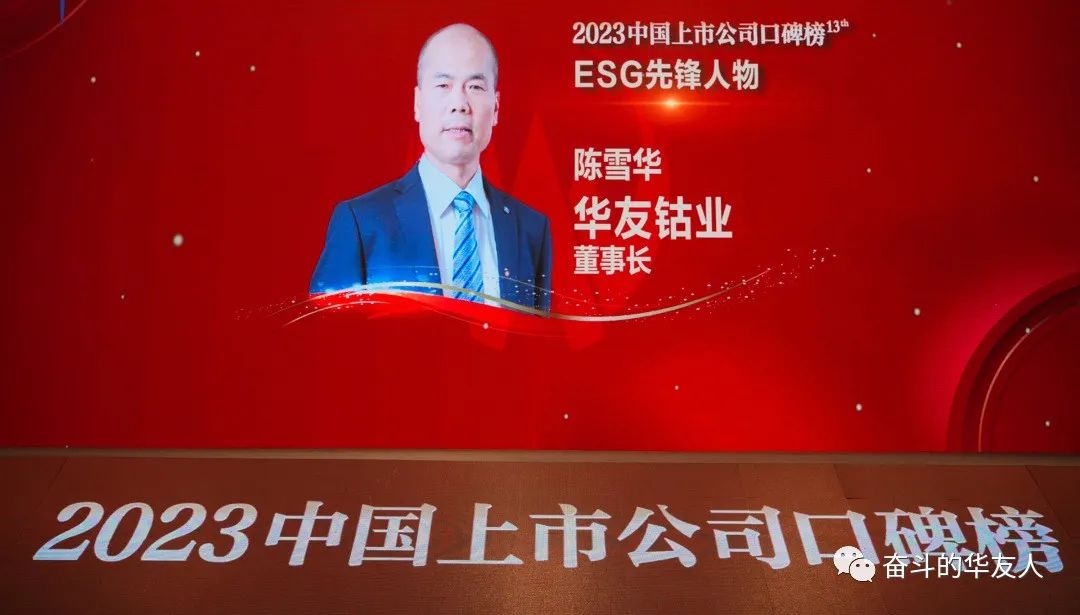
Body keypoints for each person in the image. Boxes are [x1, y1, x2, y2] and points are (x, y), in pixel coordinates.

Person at [310, 23, 552, 311]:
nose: (460, 104)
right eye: (443, 86)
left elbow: (537, 339)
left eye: (475, 87)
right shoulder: (362, 223)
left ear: (496, 107)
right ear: (417, 103)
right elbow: (325, 336)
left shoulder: (531, 229)